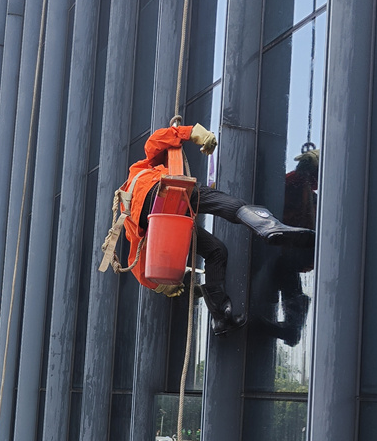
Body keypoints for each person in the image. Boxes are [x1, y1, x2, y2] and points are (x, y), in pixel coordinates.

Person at [110, 123, 315, 336]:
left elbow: (135, 254)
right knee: (219, 200)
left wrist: (157, 285)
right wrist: (191, 132)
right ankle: (268, 227)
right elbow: (155, 141)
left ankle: (221, 316)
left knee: (216, 251)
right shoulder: (142, 169)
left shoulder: (127, 219)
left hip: (163, 226)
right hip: (159, 196)